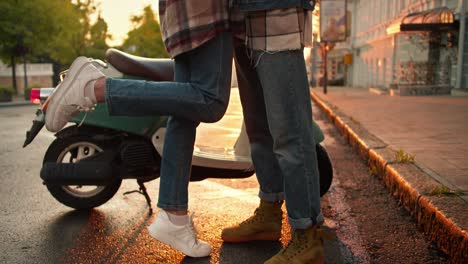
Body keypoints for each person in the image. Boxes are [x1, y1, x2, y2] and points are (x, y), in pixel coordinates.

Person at [44, 0, 238, 258]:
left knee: (184, 112)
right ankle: (96, 87)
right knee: (209, 100)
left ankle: (174, 218)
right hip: (208, 11)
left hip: (186, 14)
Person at [221, 1, 333, 263]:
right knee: (258, 130)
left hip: (275, 12)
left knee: (290, 132)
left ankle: (307, 235)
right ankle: (270, 212)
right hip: (238, 18)